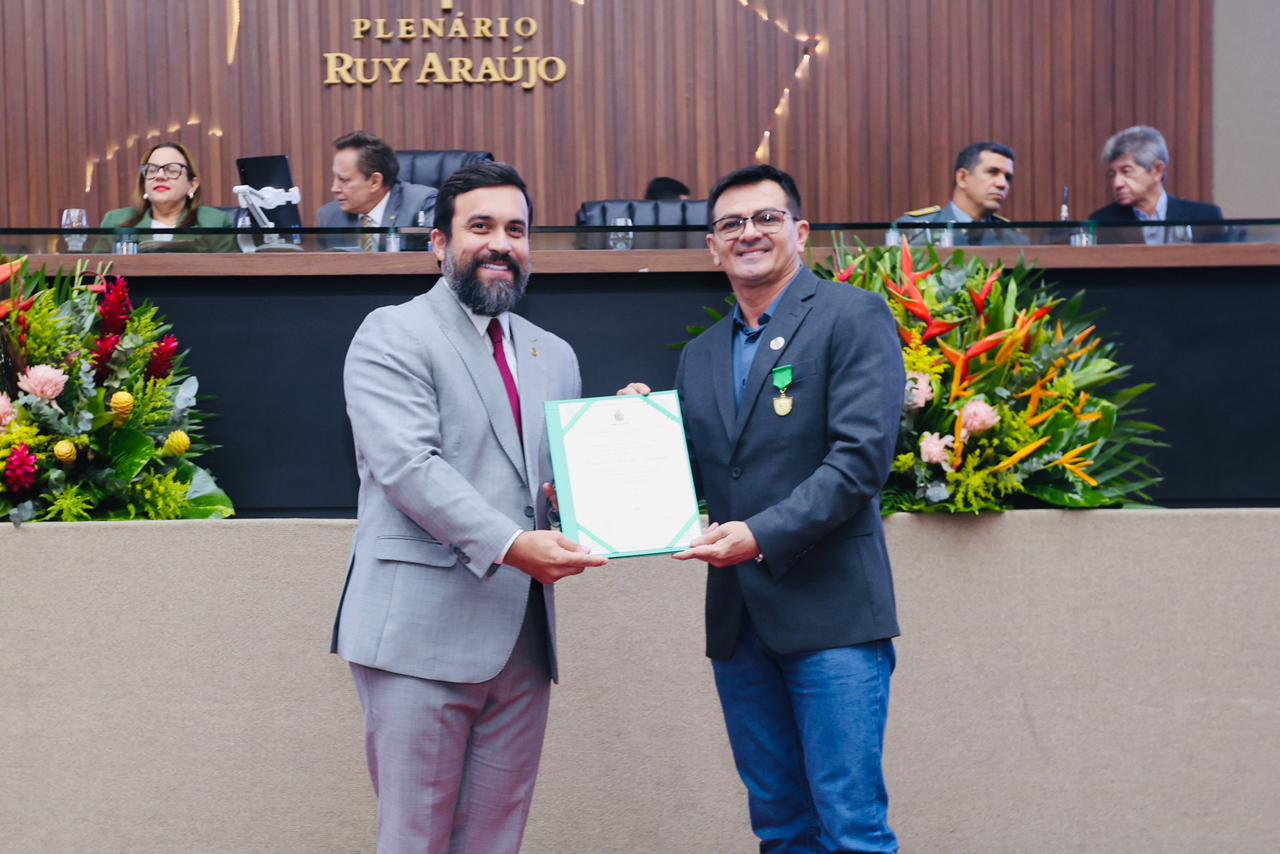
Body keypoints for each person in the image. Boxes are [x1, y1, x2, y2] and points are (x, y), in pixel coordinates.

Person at [621, 164, 905, 852]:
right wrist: (629, 436)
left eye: (766, 218)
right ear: (713, 247)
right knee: (778, 825)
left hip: (831, 617)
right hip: (740, 625)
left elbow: (858, 463)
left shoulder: (852, 315)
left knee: (851, 826)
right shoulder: (699, 356)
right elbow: (692, 471)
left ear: (800, 233)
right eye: (730, 224)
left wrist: (760, 535)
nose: (748, 233)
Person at [332, 161, 607, 853]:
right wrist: (516, 545)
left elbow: (552, 485)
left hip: (521, 640)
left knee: (495, 841)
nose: (500, 243)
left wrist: (616, 441)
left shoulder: (555, 354)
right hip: (418, 636)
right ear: (438, 243)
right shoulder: (392, 334)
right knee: (416, 839)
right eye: (479, 226)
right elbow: (408, 467)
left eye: (516, 230)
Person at [1088, 125, 1225, 244]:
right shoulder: (1103, 222)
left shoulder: (1205, 217)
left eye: (1126, 171)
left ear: (1157, 171)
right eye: (1112, 175)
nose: (1117, 184)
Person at [98, 141, 236, 252]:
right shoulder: (116, 221)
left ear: (192, 185)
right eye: (151, 170)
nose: (160, 176)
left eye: (171, 170)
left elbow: (233, 279)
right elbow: (93, 276)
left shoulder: (214, 222)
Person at [317, 130, 438, 249]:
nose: (334, 188)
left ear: (375, 181)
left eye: (344, 180)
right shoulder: (329, 217)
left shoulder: (422, 204)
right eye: (335, 178)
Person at [897, 141, 1027, 245]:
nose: (1002, 184)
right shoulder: (914, 232)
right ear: (963, 178)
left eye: (1007, 177)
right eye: (993, 172)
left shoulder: (1014, 239)